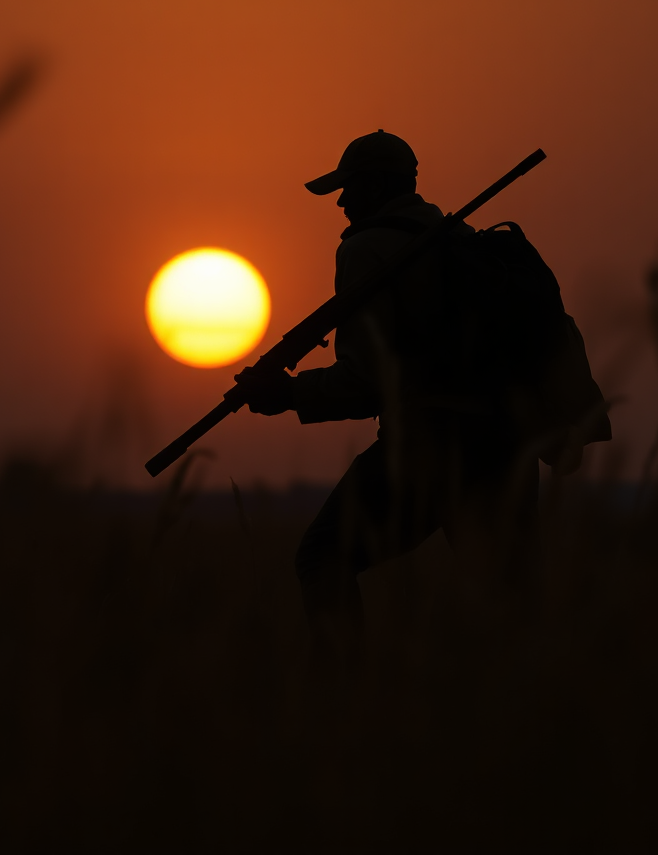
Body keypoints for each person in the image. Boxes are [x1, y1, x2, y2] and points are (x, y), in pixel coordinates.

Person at [234, 130, 556, 669]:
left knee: (321, 560)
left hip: (427, 443)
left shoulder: (366, 248)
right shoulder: (456, 238)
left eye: (349, 188)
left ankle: (350, 706)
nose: (341, 203)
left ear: (378, 185)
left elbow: (366, 384)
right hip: (505, 443)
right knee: (510, 603)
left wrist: (289, 393)